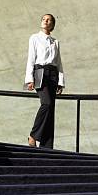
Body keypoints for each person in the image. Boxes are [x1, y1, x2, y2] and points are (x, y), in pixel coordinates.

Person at [25, 14, 64, 148]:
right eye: (43, 19)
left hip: (53, 75)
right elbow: (31, 59)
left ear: (52, 25)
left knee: (51, 110)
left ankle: (47, 147)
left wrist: (61, 82)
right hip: (40, 72)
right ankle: (33, 135)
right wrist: (29, 79)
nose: (45, 21)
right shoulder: (34, 38)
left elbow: (58, 63)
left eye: (49, 20)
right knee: (46, 104)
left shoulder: (55, 42)